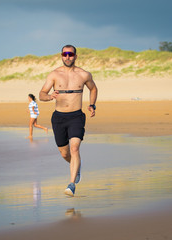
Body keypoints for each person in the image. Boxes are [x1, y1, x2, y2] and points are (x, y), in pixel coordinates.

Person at [39, 44, 98, 197]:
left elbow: (93, 89)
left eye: (70, 54)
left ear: (75, 56)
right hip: (59, 118)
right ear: (61, 56)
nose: (67, 57)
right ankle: (76, 166)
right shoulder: (54, 74)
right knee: (65, 154)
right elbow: (42, 94)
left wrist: (92, 105)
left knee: (74, 148)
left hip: (76, 117)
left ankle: (71, 184)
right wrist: (49, 97)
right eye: (65, 54)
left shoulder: (84, 74)